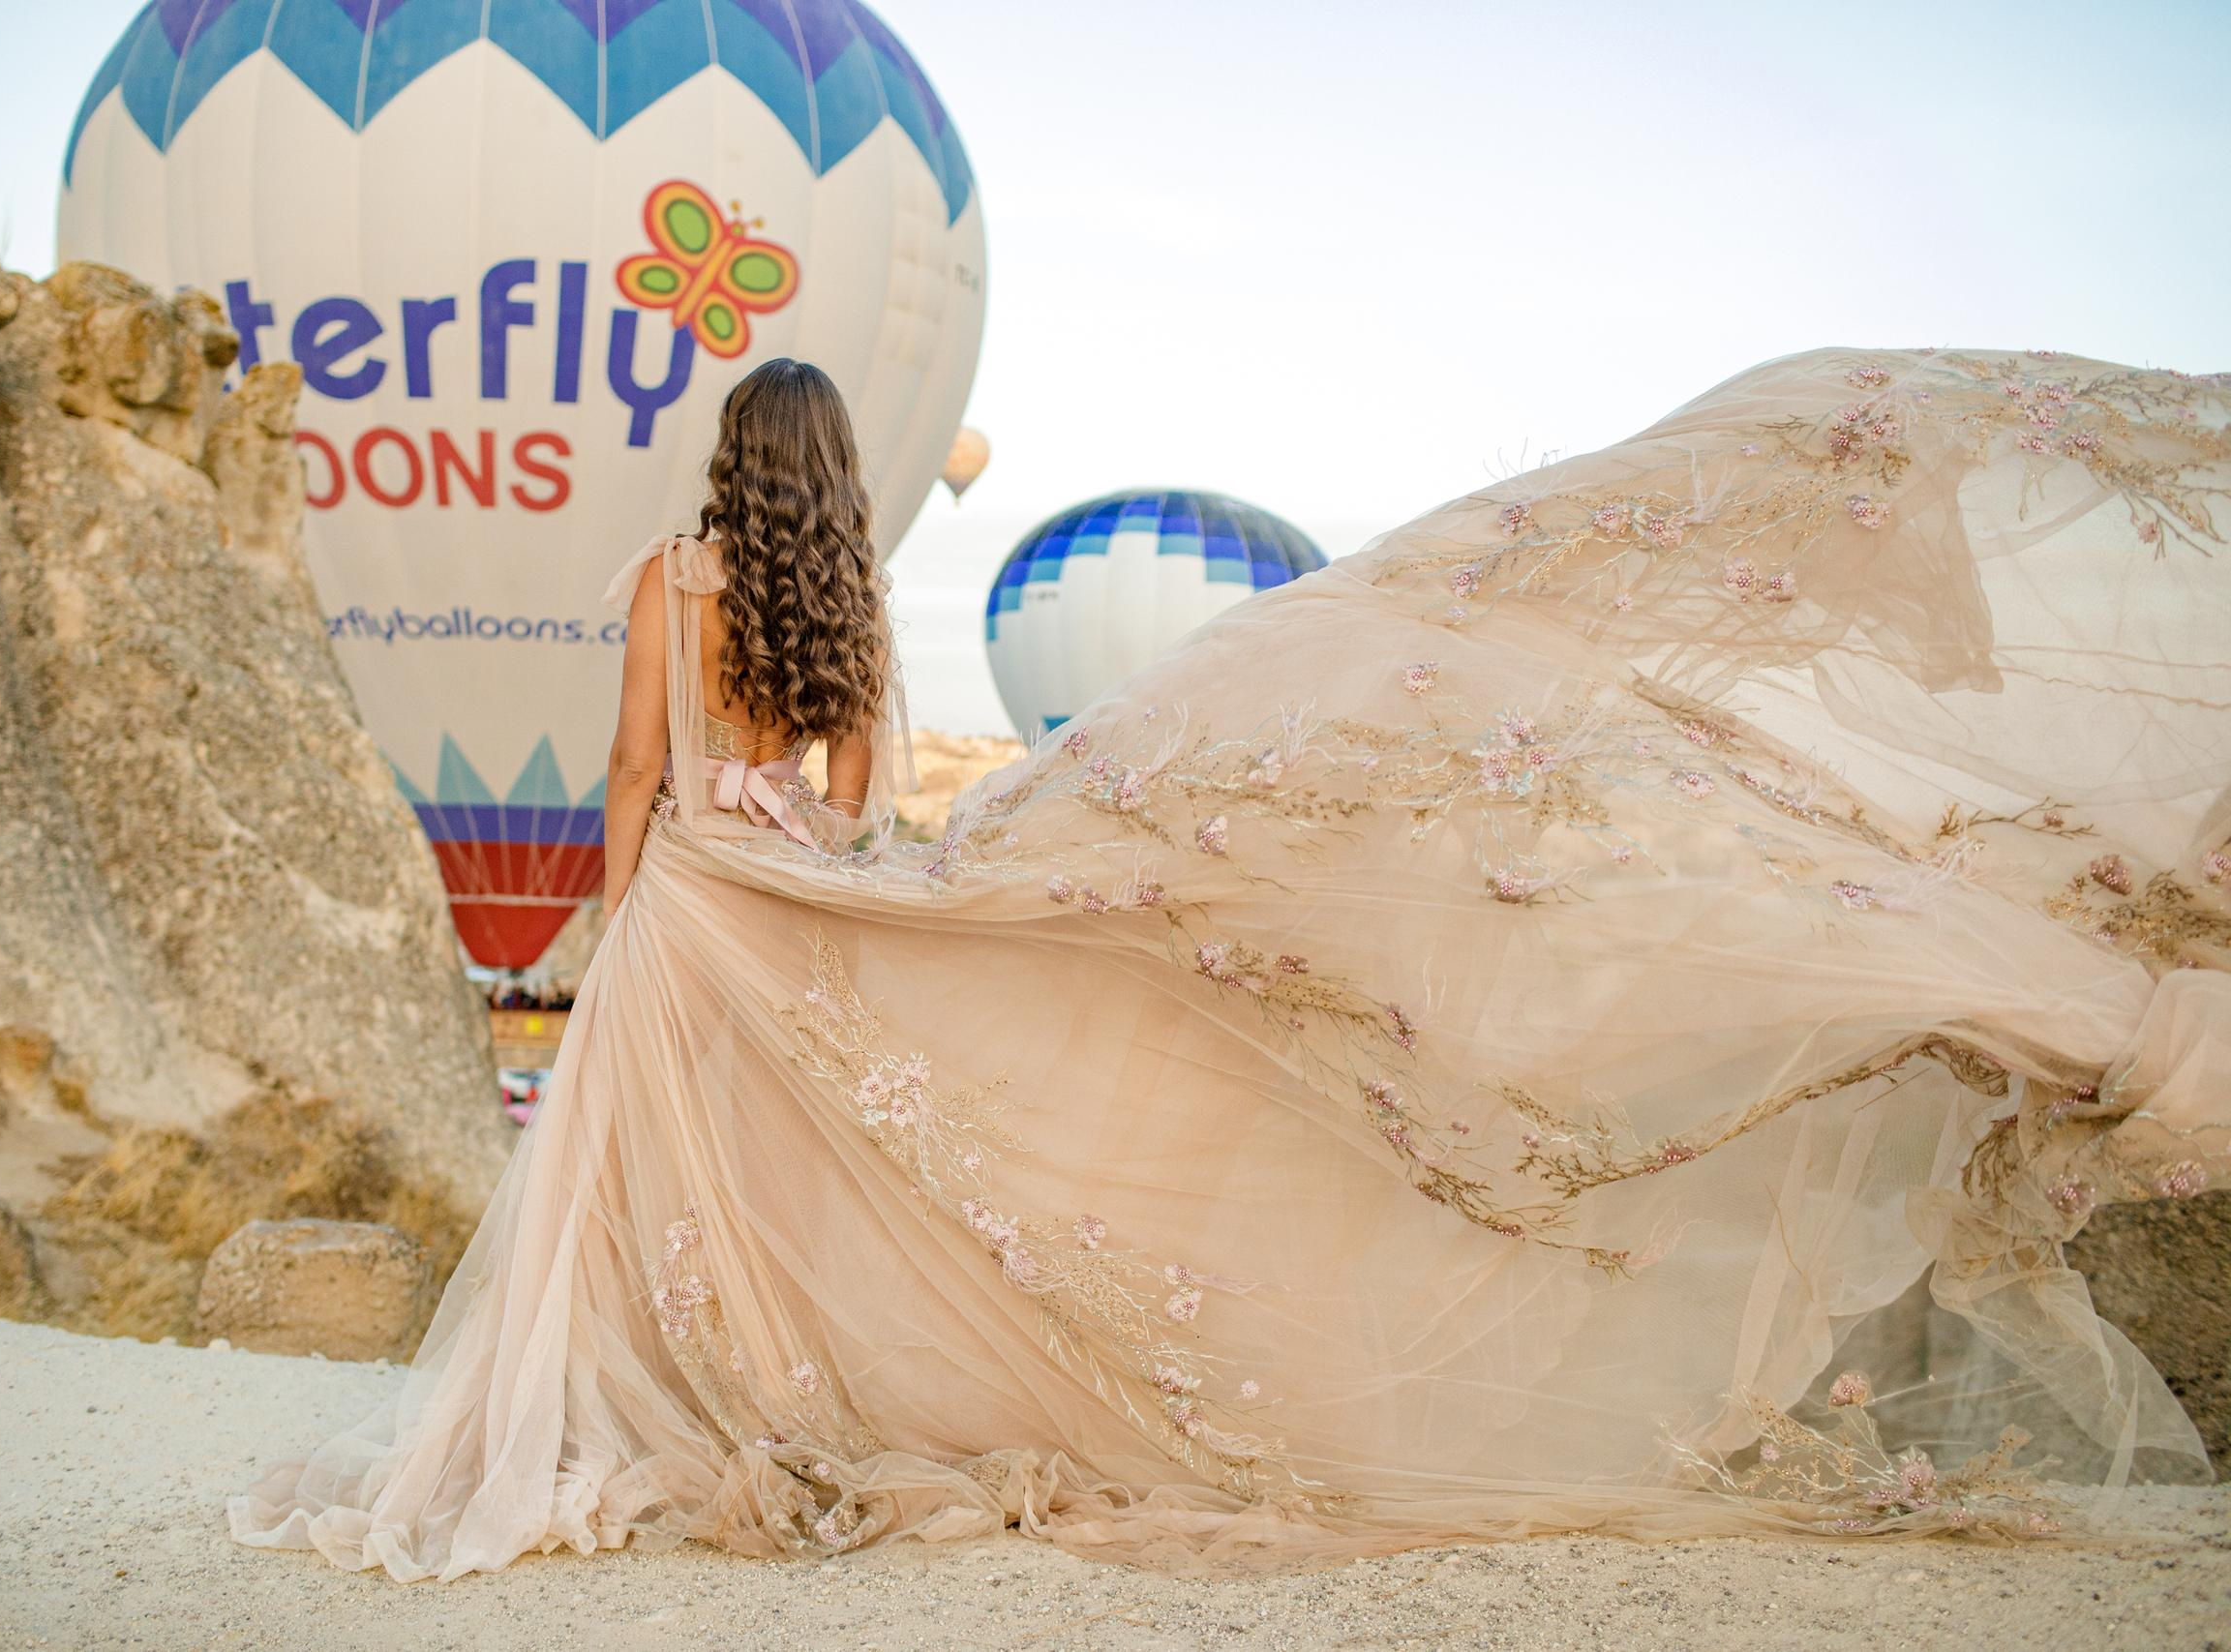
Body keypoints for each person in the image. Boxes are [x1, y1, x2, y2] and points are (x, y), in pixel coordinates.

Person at [230, 350, 2230, 1581]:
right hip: (797, 908)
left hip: (682, 910)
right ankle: (775, 1406)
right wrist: (833, 877)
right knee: (793, 1180)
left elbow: (629, 776)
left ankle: (641, 1403)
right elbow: (845, 807)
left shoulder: (660, 583)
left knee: (639, 1189)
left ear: (714, 462)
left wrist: (611, 909)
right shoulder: (839, 601)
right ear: (832, 483)